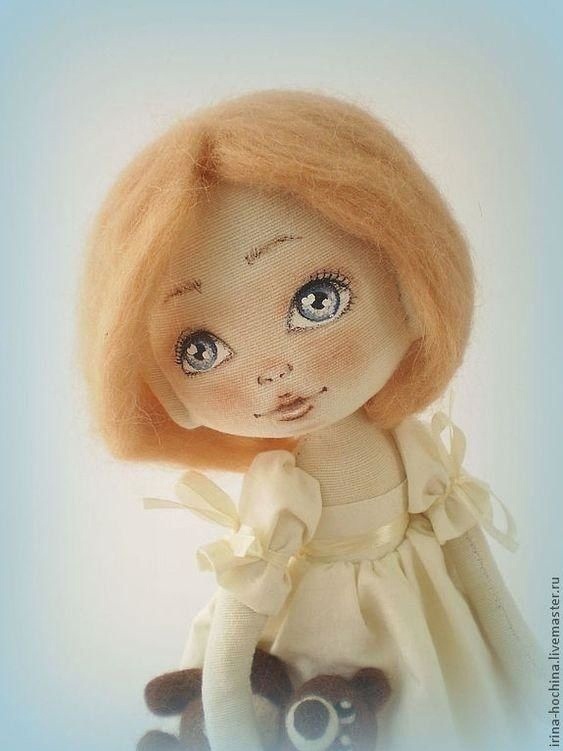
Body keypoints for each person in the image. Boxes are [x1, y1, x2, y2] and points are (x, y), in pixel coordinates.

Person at [78, 91, 544, 751]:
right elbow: (239, 622)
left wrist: (540, 684)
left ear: (410, 284)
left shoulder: (416, 454)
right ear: (167, 390)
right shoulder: (281, 493)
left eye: (317, 299)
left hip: (422, 619)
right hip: (304, 644)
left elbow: (479, 576)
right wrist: (232, 725)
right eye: (201, 350)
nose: (273, 373)